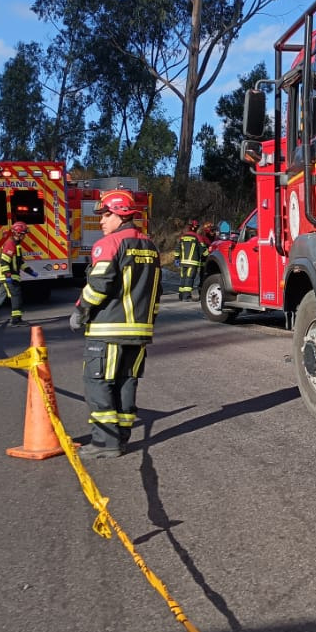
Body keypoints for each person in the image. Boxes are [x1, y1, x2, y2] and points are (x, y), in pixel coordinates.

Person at [69, 189, 160, 460]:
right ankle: (120, 438)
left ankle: (104, 442)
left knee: (97, 382)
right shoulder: (150, 246)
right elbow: (154, 291)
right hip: (140, 332)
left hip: (108, 330)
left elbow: (98, 286)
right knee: (126, 382)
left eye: (106, 214)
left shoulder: (108, 244)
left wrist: (80, 311)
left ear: (121, 214)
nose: (101, 221)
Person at [0, 221, 37, 327]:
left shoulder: (17, 245)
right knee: (16, 296)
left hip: (11, 276)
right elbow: (4, 262)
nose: (25, 236)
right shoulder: (10, 244)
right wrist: (8, 276)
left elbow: (19, 262)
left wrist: (30, 271)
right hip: (9, 276)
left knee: (2, 297)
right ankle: (16, 320)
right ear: (18, 234)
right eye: (23, 234)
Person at [175, 218, 204, 302]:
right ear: (195, 228)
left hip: (183, 262)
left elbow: (177, 249)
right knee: (189, 278)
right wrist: (208, 255)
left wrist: (176, 259)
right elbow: (202, 250)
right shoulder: (198, 237)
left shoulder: (183, 237)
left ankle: (181, 295)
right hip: (192, 263)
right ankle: (187, 297)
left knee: (183, 278)